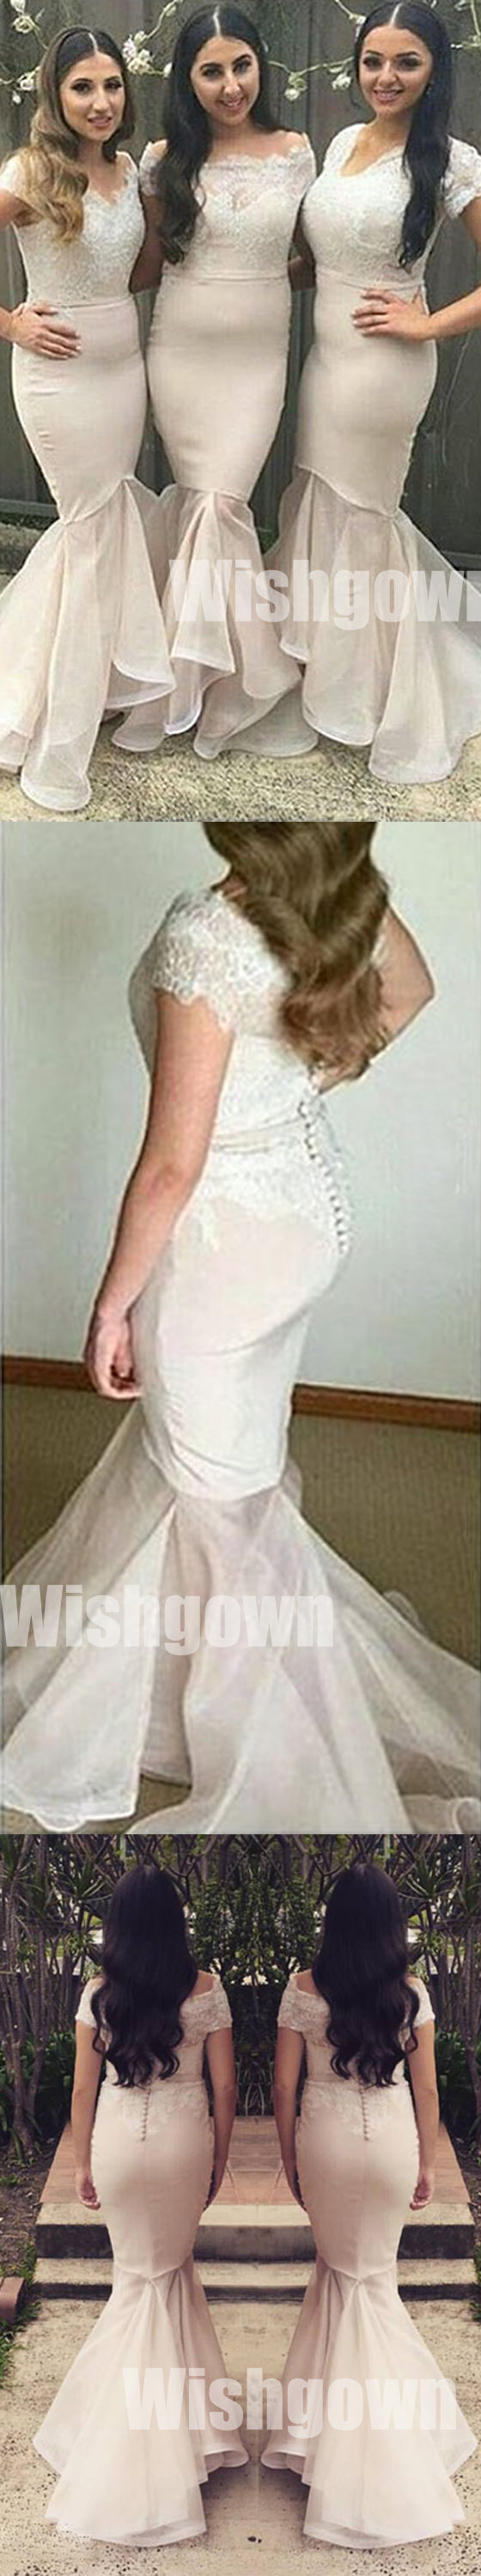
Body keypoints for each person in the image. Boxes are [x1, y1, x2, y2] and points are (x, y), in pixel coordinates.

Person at [1, 822, 479, 1833]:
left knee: (220, 1499)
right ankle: (176, 1672)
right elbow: (409, 992)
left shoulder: (204, 933)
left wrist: (111, 1304)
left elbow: (171, 1166)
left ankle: (292, 1739)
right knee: (226, 1466)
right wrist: (291, 1093)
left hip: (222, 1246)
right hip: (302, 1217)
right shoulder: (335, 891)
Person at [265, 3, 481, 782]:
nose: (386, 77)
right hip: (328, 361)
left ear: (434, 70)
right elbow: (324, 256)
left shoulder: (452, 161)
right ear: (357, 67)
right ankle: (322, 663)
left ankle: (367, 687)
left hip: (385, 369)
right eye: (373, 61)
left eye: (406, 62)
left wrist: (427, 326)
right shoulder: (345, 141)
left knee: (361, 513)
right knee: (319, 497)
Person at [114, 5, 316, 762]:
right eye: (211, 71)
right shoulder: (163, 159)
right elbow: (147, 261)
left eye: (241, 67)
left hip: (258, 359)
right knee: (206, 503)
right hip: (181, 351)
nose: (231, 86)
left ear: (260, 67)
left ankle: (226, 687)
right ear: (188, 81)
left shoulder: (296, 153)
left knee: (224, 505)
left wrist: (266, 283)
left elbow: (316, 256)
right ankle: (192, 682)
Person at [263, 1862, 478, 2545]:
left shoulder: (302, 1988)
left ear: (334, 1921)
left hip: (325, 2141)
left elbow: (284, 2088)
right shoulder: (409, 1994)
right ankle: (327, 2438)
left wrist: (290, 2160)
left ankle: (359, 2457)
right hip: (389, 2141)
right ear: (391, 1925)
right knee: (367, 2281)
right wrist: (428, 2163)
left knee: (344, 2276)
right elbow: (428, 2090)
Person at [33, 1863, 248, 2543]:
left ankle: (174, 2434)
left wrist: (81, 2162)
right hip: (184, 2142)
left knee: (142, 2280)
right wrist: (219, 2160)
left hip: (121, 2141)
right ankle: (150, 2455)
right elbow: (225, 2088)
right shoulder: (207, 1989)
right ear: (175, 1922)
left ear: (118, 1927)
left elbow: (81, 2089)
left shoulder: (100, 1994)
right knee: (166, 2275)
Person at [0, 28, 171, 811]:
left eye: (111, 85)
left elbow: (140, 270)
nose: (100, 102)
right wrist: (12, 323)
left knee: (101, 531)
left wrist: (163, 203)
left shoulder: (128, 169)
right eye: (82, 87)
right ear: (56, 95)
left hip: (121, 369)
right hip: (58, 376)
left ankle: (86, 682)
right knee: (90, 528)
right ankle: (53, 723)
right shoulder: (31, 171)